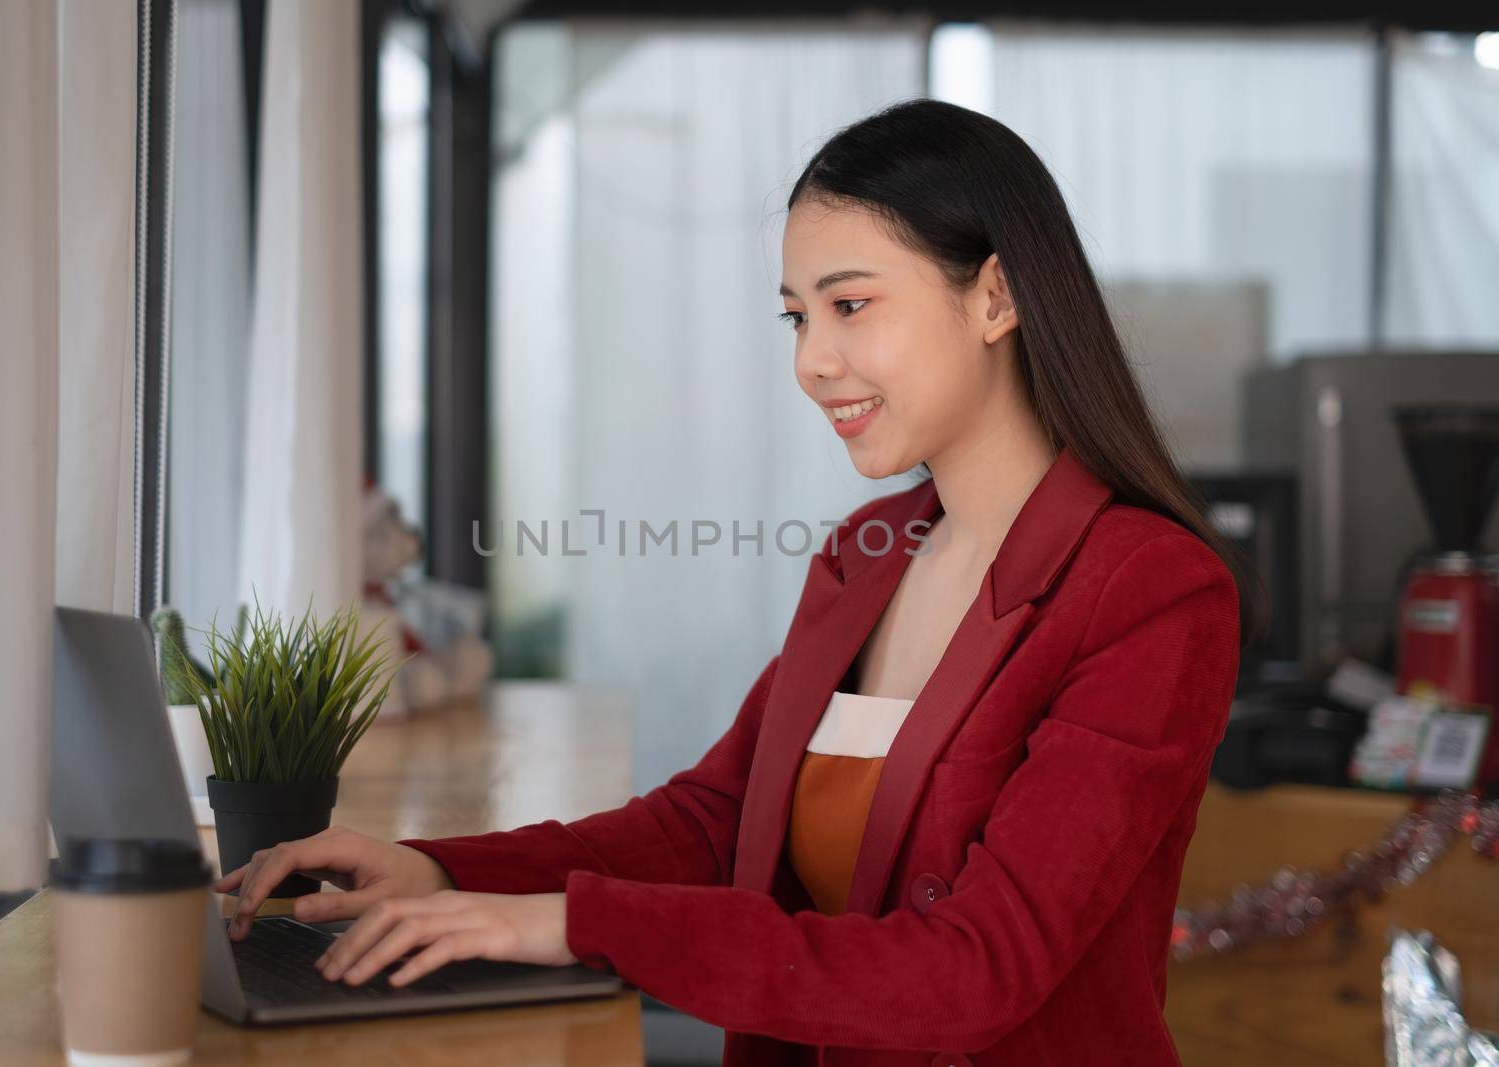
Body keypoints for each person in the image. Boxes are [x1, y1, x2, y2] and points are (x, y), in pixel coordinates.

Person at [215, 97, 1265, 1066]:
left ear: (995, 295)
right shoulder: (871, 550)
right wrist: (443, 872)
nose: (812, 360)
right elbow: (714, 823)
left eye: (850, 304)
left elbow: (974, 968)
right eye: (796, 317)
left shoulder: (1150, 593)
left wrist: (577, 923)